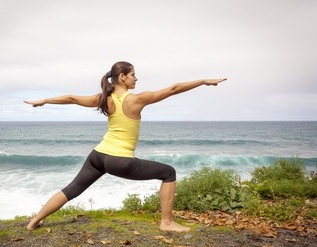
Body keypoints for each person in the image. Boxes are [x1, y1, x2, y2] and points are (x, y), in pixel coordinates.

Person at [24, 61, 226, 232]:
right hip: (119, 159)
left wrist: (45, 101)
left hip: (98, 155)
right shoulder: (136, 99)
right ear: (122, 77)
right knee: (168, 172)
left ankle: (34, 221)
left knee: (72, 189)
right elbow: (172, 90)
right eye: (133, 75)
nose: (136, 79)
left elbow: (72, 98)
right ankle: (166, 222)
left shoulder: (103, 98)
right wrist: (202, 81)